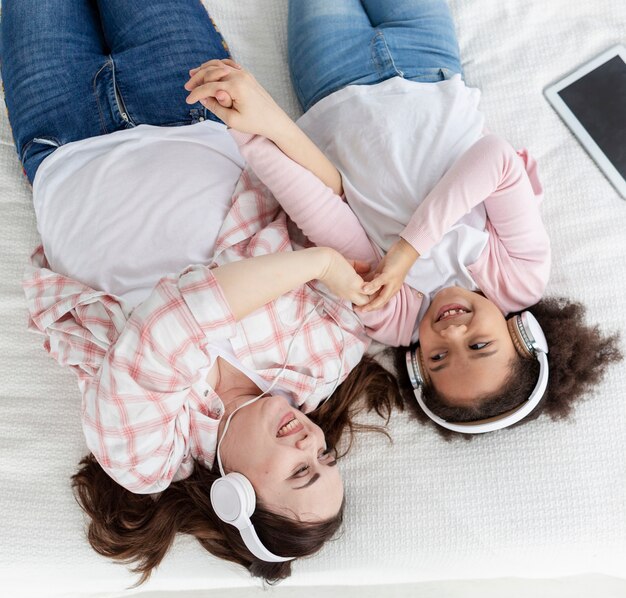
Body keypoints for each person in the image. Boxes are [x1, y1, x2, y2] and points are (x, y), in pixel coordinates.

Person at [0, 0, 402, 583]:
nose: (312, 442)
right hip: (187, 102)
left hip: (61, 138)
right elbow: (331, 209)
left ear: (236, 497)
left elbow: (171, 323)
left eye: (300, 470)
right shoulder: (326, 359)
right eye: (326, 456)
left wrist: (313, 264)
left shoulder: (145, 456)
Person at [184, 0, 622, 433]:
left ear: (416, 367)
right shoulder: (519, 278)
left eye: (438, 358)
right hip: (428, 59)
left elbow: (326, 208)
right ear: (522, 337)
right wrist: (405, 253)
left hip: (334, 81)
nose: (452, 334)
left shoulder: (392, 318)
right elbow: (497, 161)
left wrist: (252, 133)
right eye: (479, 344)